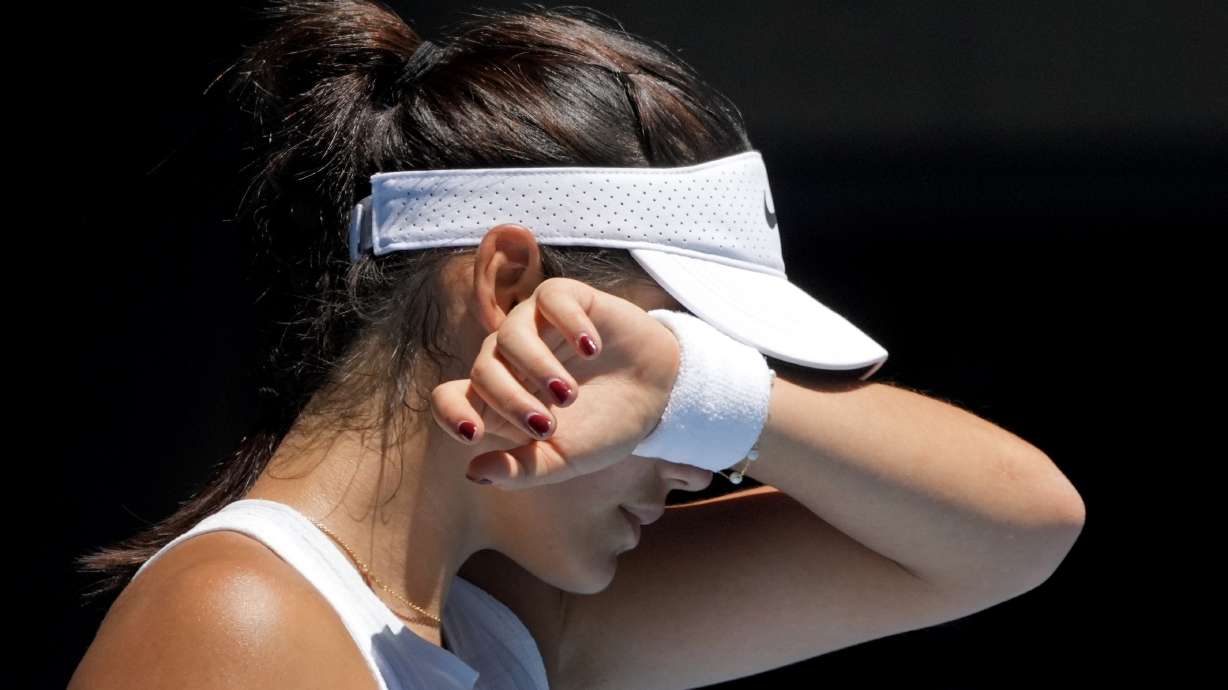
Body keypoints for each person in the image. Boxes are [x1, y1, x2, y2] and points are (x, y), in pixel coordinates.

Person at [68, 2, 1086, 689]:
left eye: (678, 391)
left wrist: (701, 387)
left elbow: (1020, 532)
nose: (695, 471)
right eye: (665, 343)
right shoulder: (240, 621)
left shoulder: (506, 622)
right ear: (506, 284)